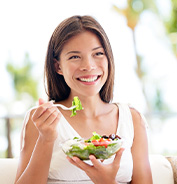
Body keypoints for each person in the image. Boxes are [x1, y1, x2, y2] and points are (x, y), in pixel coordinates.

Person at [15, 15, 153, 184]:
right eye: (74, 57)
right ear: (58, 66)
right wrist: (46, 139)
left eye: (98, 54)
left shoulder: (132, 119)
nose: (88, 66)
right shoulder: (41, 120)